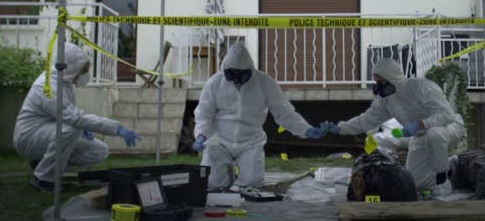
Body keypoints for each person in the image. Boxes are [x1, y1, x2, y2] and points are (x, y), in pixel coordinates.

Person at [321, 58, 464, 196]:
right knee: (414, 184)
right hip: (420, 135)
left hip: (449, 127)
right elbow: (366, 120)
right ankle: (452, 166)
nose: (378, 85)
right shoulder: (386, 100)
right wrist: (340, 128)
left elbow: (447, 114)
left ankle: (442, 178)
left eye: (380, 81)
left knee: (434, 135)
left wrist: (421, 124)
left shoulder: (421, 86)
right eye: (376, 81)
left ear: (392, 77)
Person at [193, 42, 326, 191]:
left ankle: (233, 177)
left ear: (250, 70)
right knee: (213, 184)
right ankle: (225, 175)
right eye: (232, 73)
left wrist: (305, 129)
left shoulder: (264, 82)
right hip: (219, 140)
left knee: (252, 185)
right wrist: (202, 134)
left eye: (241, 74)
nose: (236, 78)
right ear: (225, 70)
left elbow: (284, 112)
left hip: (250, 142)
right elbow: (204, 113)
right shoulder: (214, 83)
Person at [13, 42, 140, 193]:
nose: (85, 75)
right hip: (28, 137)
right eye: (83, 70)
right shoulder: (48, 87)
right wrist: (117, 128)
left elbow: (69, 114)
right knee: (70, 130)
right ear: (71, 67)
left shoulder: (64, 82)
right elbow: (75, 118)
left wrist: (82, 127)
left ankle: (42, 164)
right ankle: (43, 179)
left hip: (46, 132)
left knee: (99, 151)